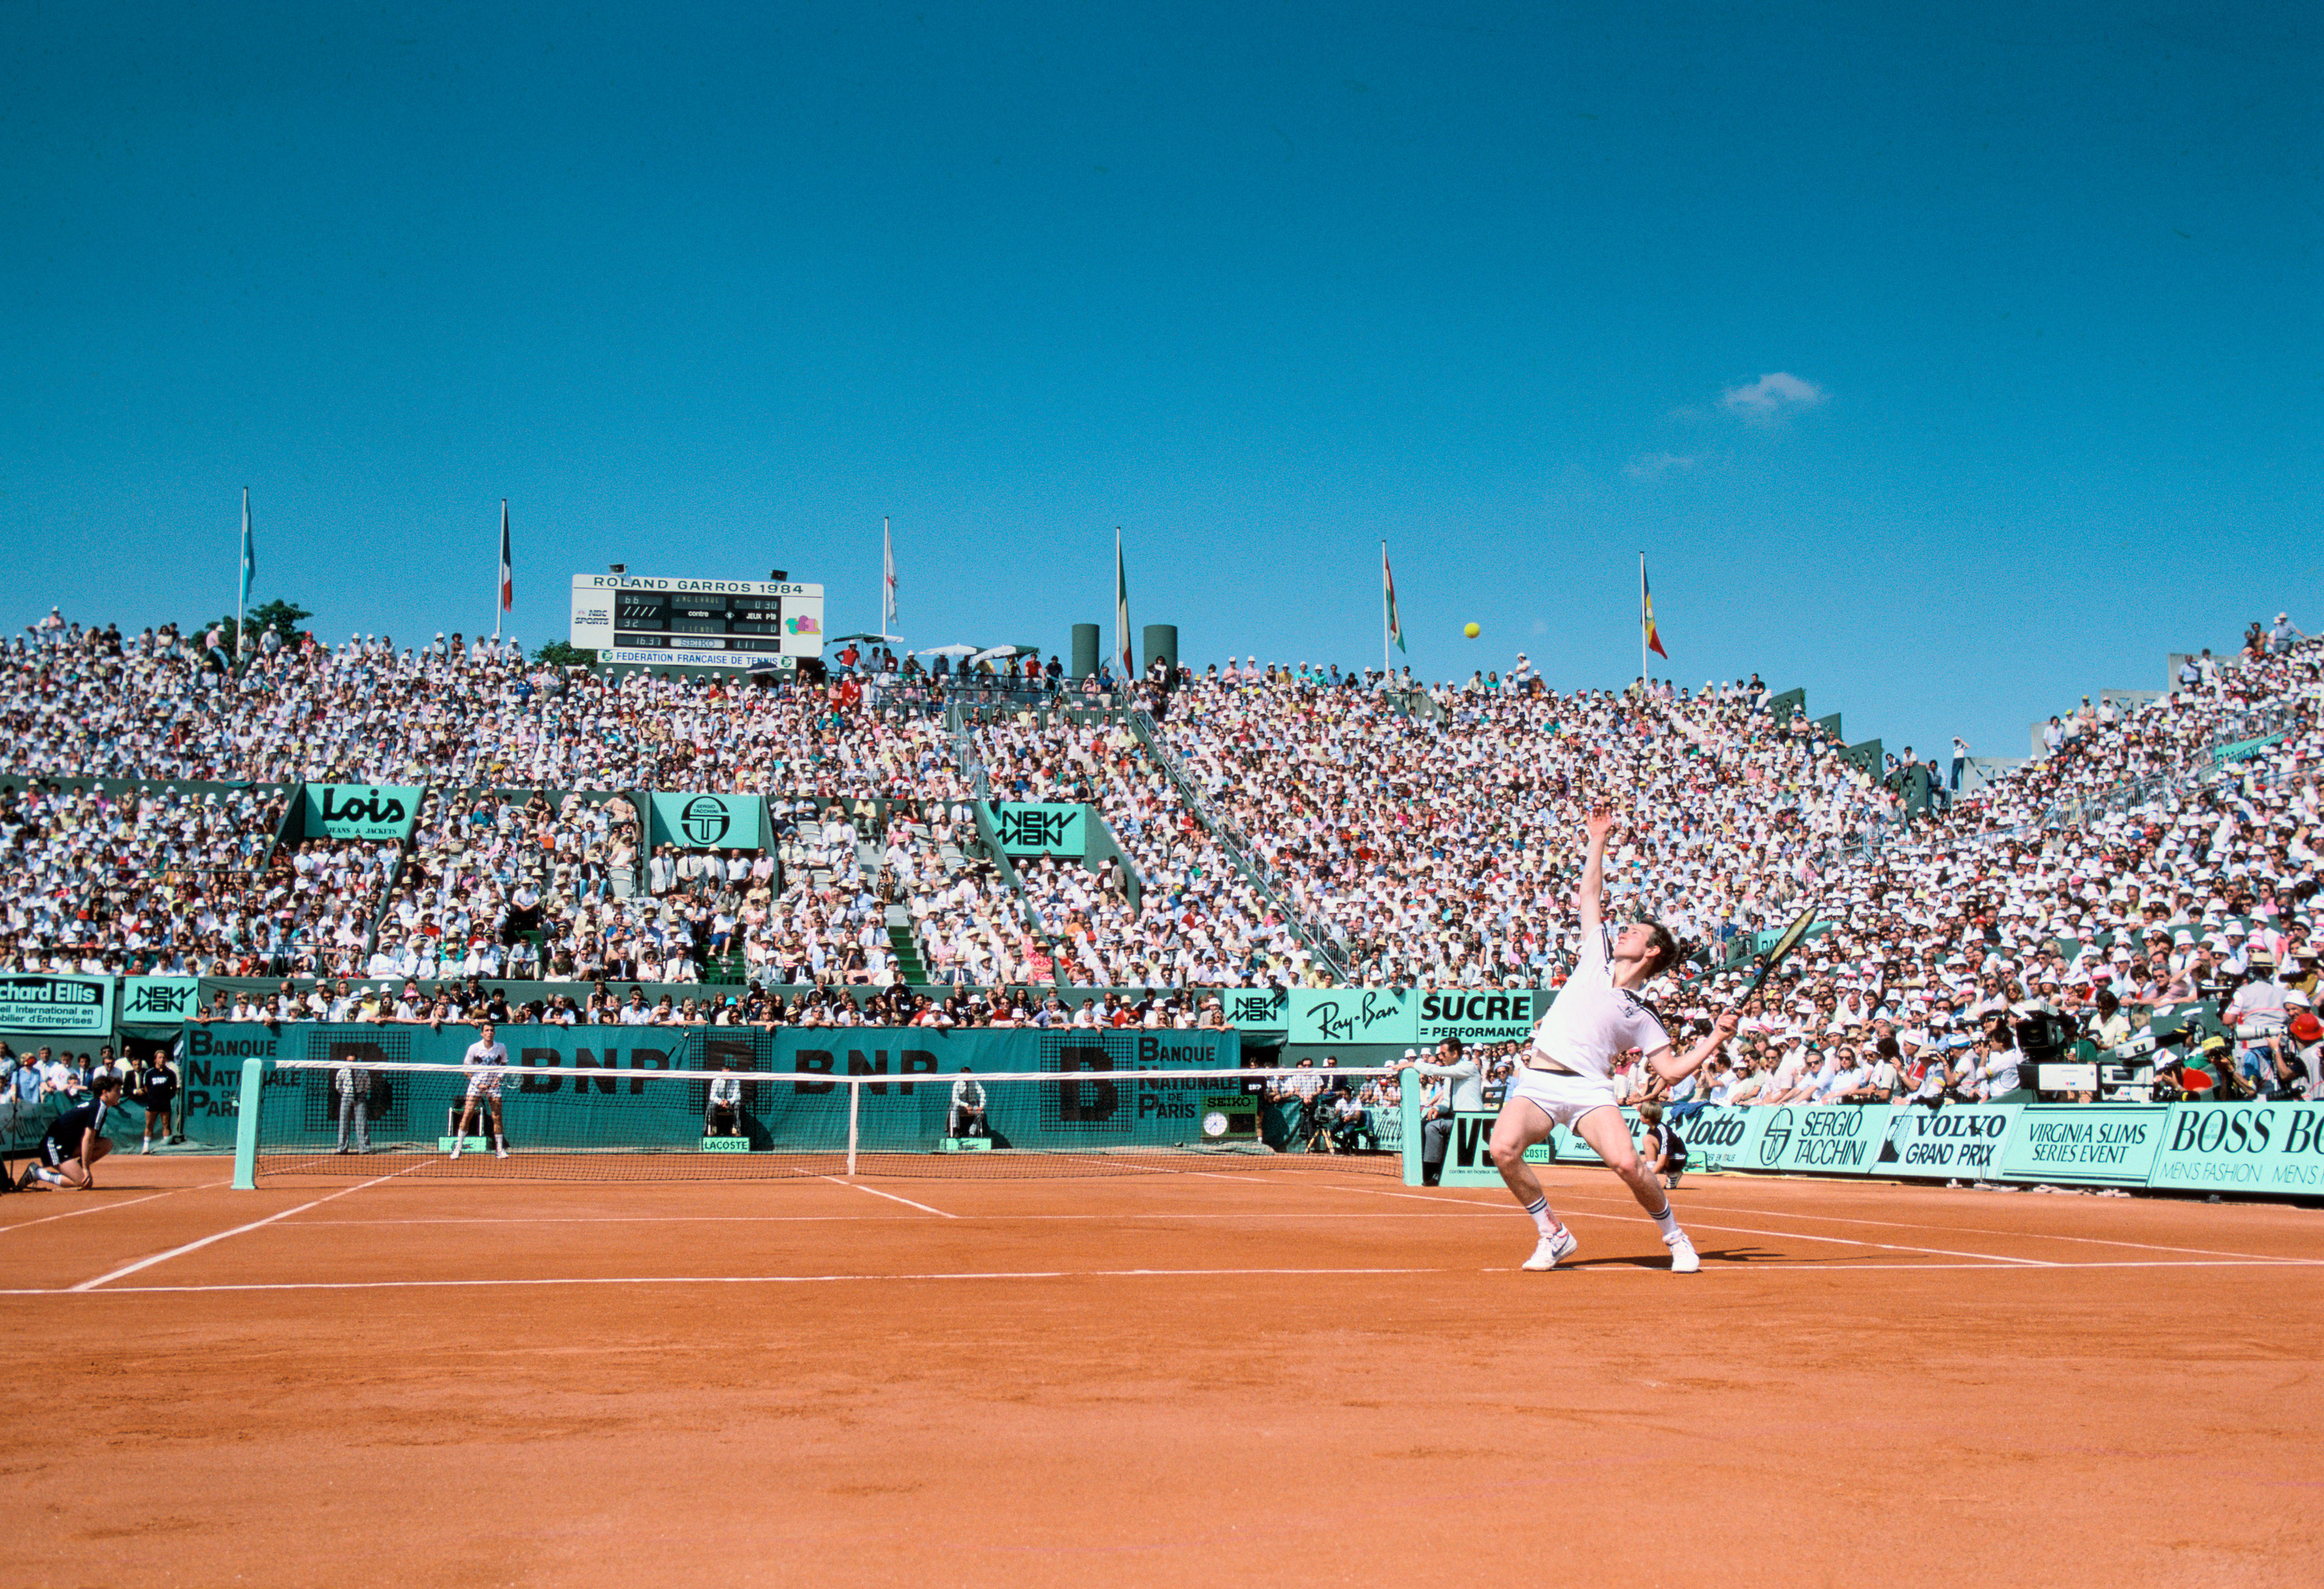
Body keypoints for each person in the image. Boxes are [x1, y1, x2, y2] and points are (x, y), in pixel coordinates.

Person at [1487, 803, 1738, 1273]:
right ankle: (1553, 1234)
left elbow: (1671, 1071)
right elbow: (1589, 895)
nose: (1623, 931)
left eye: (1635, 932)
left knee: (1628, 1165)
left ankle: (1676, 1239)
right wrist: (1597, 838)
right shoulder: (1596, 952)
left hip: (1588, 1090)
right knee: (1502, 1149)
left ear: (1652, 951)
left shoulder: (1643, 1013)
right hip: (1538, 1080)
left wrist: (1716, 1038)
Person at [19, 1071, 124, 1189]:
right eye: (117, 1091)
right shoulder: (98, 1107)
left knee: (106, 1144)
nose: (120, 1094)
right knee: (81, 1182)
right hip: (53, 1145)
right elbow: (87, 1139)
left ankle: (75, 1171)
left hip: (68, 1145)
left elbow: (87, 1139)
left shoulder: (99, 1106)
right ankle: (38, 1173)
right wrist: (86, 1169)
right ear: (105, 1092)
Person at [1401, 1038, 1481, 1186]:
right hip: (1457, 1118)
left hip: (1471, 1120)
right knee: (1425, 1122)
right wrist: (1437, 1108)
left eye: (1443, 1054)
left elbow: (1436, 1070)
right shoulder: (1452, 1074)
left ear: (1455, 1053)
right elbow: (1447, 1102)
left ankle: (1432, 1171)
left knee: (1433, 1127)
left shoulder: (1468, 1067)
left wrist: (1413, 1064)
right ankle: (1424, 1167)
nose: (1440, 1057)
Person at [449, 1021, 511, 1160]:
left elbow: (504, 1065)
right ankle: (458, 1149)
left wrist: (499, 1078)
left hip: (494, 1086)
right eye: (487, 1030)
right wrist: (478, 1084)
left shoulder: (501, 1047)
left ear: (494, 1033)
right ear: (482, 1033)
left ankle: (500, 1150)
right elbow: (466, 1068)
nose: (489, 1033)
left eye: (491, 1031)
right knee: (468, 1114)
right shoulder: (474, 1048)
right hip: (476, 1084)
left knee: (497, 1116)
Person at [1637, 1099, 1689, 1190]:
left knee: (1647, 1139)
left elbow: (1661, 1161)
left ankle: (1669, 1173)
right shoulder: (1652, 1130)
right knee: (1637, 1160)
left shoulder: (1662, 1130)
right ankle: (1673, 1175)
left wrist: (1650, 1177)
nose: (1639, 1116)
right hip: (1670, 1157)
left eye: (1641, 1114)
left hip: (1677, 1159)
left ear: (1648, 1118)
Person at [135, 1045, 178, 1154]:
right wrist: (153, 1095)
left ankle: (166, 1148)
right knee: (149, 1124)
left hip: (165, 1102)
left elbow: (173, 1087)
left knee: (166, 1124)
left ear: (166, 1060)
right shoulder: (149, 1073)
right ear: (155, 1059)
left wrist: (167, 1093)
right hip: (152, 1101)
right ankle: (146, 1147)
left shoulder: (170, 1074)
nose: (162, 1059)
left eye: (163, 1057)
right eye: (159, 1057)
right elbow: (146, 1088)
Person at [705, 1057, 742, 1139]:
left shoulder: (736, 1081)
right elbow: (712, 1096)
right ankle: (713, 1128)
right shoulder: (716, 1081)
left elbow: (737, 1096)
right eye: (724, 1073)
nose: (726, 1075)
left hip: (730, 1103)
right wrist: (721, 1102)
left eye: (728, 1073)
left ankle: (735, 1129)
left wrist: (728, 1102)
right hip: (719, 1103)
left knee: (738, 1105)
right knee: (711, 1105)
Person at [947, 1067, 987, 1140]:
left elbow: (982, 1093)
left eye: (969, 1075)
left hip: (972, 1104)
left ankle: (972, 1132)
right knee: (954, 1109)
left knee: (981, 1113)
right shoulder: (957, 1084)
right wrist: (966, 1105)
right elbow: (954, 1099)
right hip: (961, 1106)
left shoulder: (975, 1082)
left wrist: (981, 1106)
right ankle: (955, 1131)